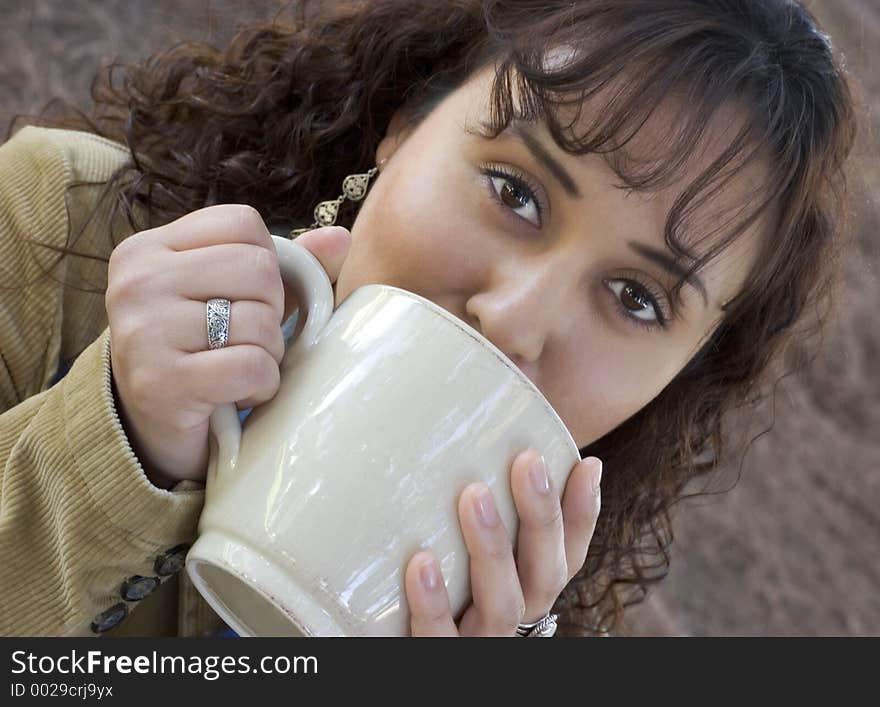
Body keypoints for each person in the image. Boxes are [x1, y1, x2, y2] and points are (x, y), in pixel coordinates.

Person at [0, 0, 857, 637]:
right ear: (406, 127)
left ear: (683, 372)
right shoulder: (54, 228)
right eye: (514, 191)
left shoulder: (513, 622)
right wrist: (114, 442)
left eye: (638, 298)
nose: (513, 320)